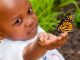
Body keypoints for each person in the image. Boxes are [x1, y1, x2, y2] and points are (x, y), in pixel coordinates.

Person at [0, 0, 68, 60]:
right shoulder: (7, 49)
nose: (30, 21)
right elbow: (28, 55)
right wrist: (40, 46)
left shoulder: (30, 30)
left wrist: (52, 40)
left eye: (29, 11)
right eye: (18, 21)